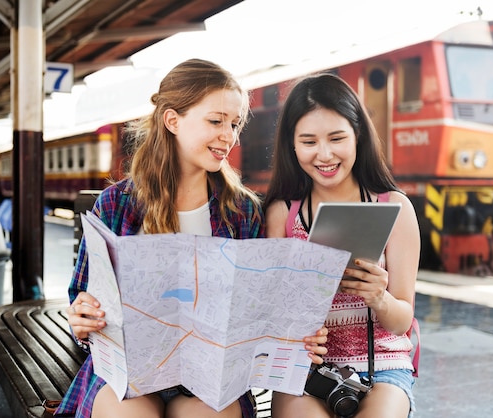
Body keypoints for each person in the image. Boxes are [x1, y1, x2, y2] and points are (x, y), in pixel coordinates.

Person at [54, 58, 328, 418]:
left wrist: (296, 335)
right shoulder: (117, 203)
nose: (228, 135)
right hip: (131, 374)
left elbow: (264, 308)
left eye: (235, 124)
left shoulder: (242, 210)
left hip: (211, 380)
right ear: (172, 120)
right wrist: (83, 318)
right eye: (215, 121)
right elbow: (83, 296)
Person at [263, 73, 420, 418]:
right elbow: (270, 313)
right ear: (291, 144)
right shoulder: (282, 215)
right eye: (308, 142)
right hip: (305, 370)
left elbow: (402, 321)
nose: (324, 154)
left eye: (337, 138)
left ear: (358, 136)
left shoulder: (394, 208)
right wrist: (294, 330)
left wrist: (379, 297)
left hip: (384, 367)